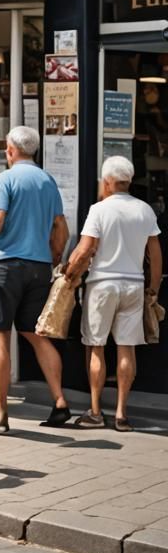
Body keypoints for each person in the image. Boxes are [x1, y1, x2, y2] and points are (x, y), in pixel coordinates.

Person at [0, 126, 71, 431]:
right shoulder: (47, 180)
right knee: (36, 335)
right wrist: (55, 255)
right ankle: (59, 400)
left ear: (10, 150)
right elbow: (62, 228)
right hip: (39, 266)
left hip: (7, 264)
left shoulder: (7, 179)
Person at [64, 156, 162, 432]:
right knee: (126, 348)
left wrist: (68, 275)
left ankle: (95, 411)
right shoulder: (145, 211)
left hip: (102, 284)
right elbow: (155, 254)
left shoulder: (99, 210)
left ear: (107, 181)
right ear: (128, 181)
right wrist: (153, 288)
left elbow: (85, 249)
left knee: (96, 346)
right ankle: (121, 413)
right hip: (133, 284)